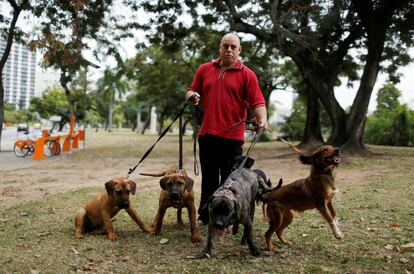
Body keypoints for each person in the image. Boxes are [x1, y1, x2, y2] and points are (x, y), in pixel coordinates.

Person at [185, 33, 268, 226]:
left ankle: (228, 218)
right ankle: (205, 216)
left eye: (233, 47)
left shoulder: (247, 74)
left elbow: (258, 101)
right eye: (225, 46)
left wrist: (262, 119)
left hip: (233, 138)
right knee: (209, 180)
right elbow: (191, 89)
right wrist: (191, 96)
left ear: (239, 50)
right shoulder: (204, 69)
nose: (229, 50)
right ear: (219, 48)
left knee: (230, 181)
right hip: (207, 135)